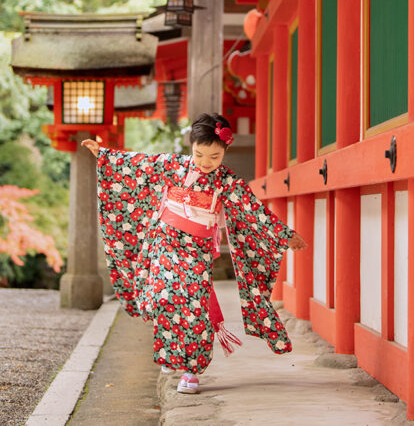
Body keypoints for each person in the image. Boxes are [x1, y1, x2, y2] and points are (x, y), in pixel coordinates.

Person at [82, 112, 307, 395]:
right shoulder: (173, 166)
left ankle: (190, 370)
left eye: (214, 156)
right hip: (164, 241)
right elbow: (138, 163)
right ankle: (168, 355)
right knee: (164, 296)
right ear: (191, 147)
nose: (205, 163)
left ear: (225, 150)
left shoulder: (227, 182)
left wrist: (286, 235)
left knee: (194, 307)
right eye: (199, 154)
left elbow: (254, 211)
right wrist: (103, 155)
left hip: (197, 251)